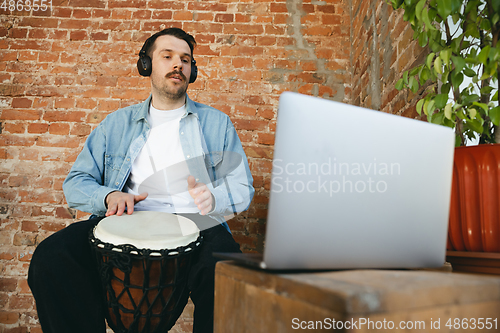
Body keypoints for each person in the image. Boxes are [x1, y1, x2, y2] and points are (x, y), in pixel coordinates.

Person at [28, 27, 254, 333]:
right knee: (51, 258)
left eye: (186, 60)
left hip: (197, 224)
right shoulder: (116, 124)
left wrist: (214, 198)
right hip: (124, 219)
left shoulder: (217, 123)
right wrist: (109, 197)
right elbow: (76, 182)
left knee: (230, 277)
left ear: (193, 71)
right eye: (168, 56)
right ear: (146, 64)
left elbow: (243, 187)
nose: (178, 65)